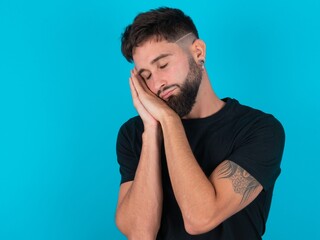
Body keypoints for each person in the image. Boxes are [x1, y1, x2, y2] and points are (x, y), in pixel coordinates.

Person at [115, 7, 285, 240]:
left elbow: (200, 218)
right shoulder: (135, 133)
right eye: (146, 76)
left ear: (198, 52)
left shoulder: (259, 129)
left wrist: (169, 119)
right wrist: (153, 130)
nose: (157, 84)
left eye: (163, 65)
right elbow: (140, 233)